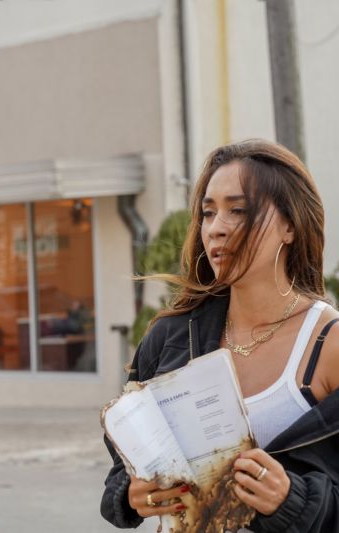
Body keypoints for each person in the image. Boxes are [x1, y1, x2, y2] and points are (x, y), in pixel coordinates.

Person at [101, 139, 339, 532]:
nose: (216, 229)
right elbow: (121, 468)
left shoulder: (327, 343)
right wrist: (131, 494)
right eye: (208, 213)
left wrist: (291, 501)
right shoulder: (171, 334)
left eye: (237, 211)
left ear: (290, 226)